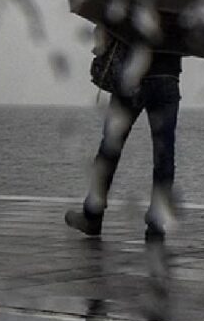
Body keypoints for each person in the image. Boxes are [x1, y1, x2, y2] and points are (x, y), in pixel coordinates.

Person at [65, 26, 183, 238]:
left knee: (110, 147)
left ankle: (93, 214)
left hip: (132, 77)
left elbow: (109, 29)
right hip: (166, 78)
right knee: (164, 153)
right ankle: (157, 221)